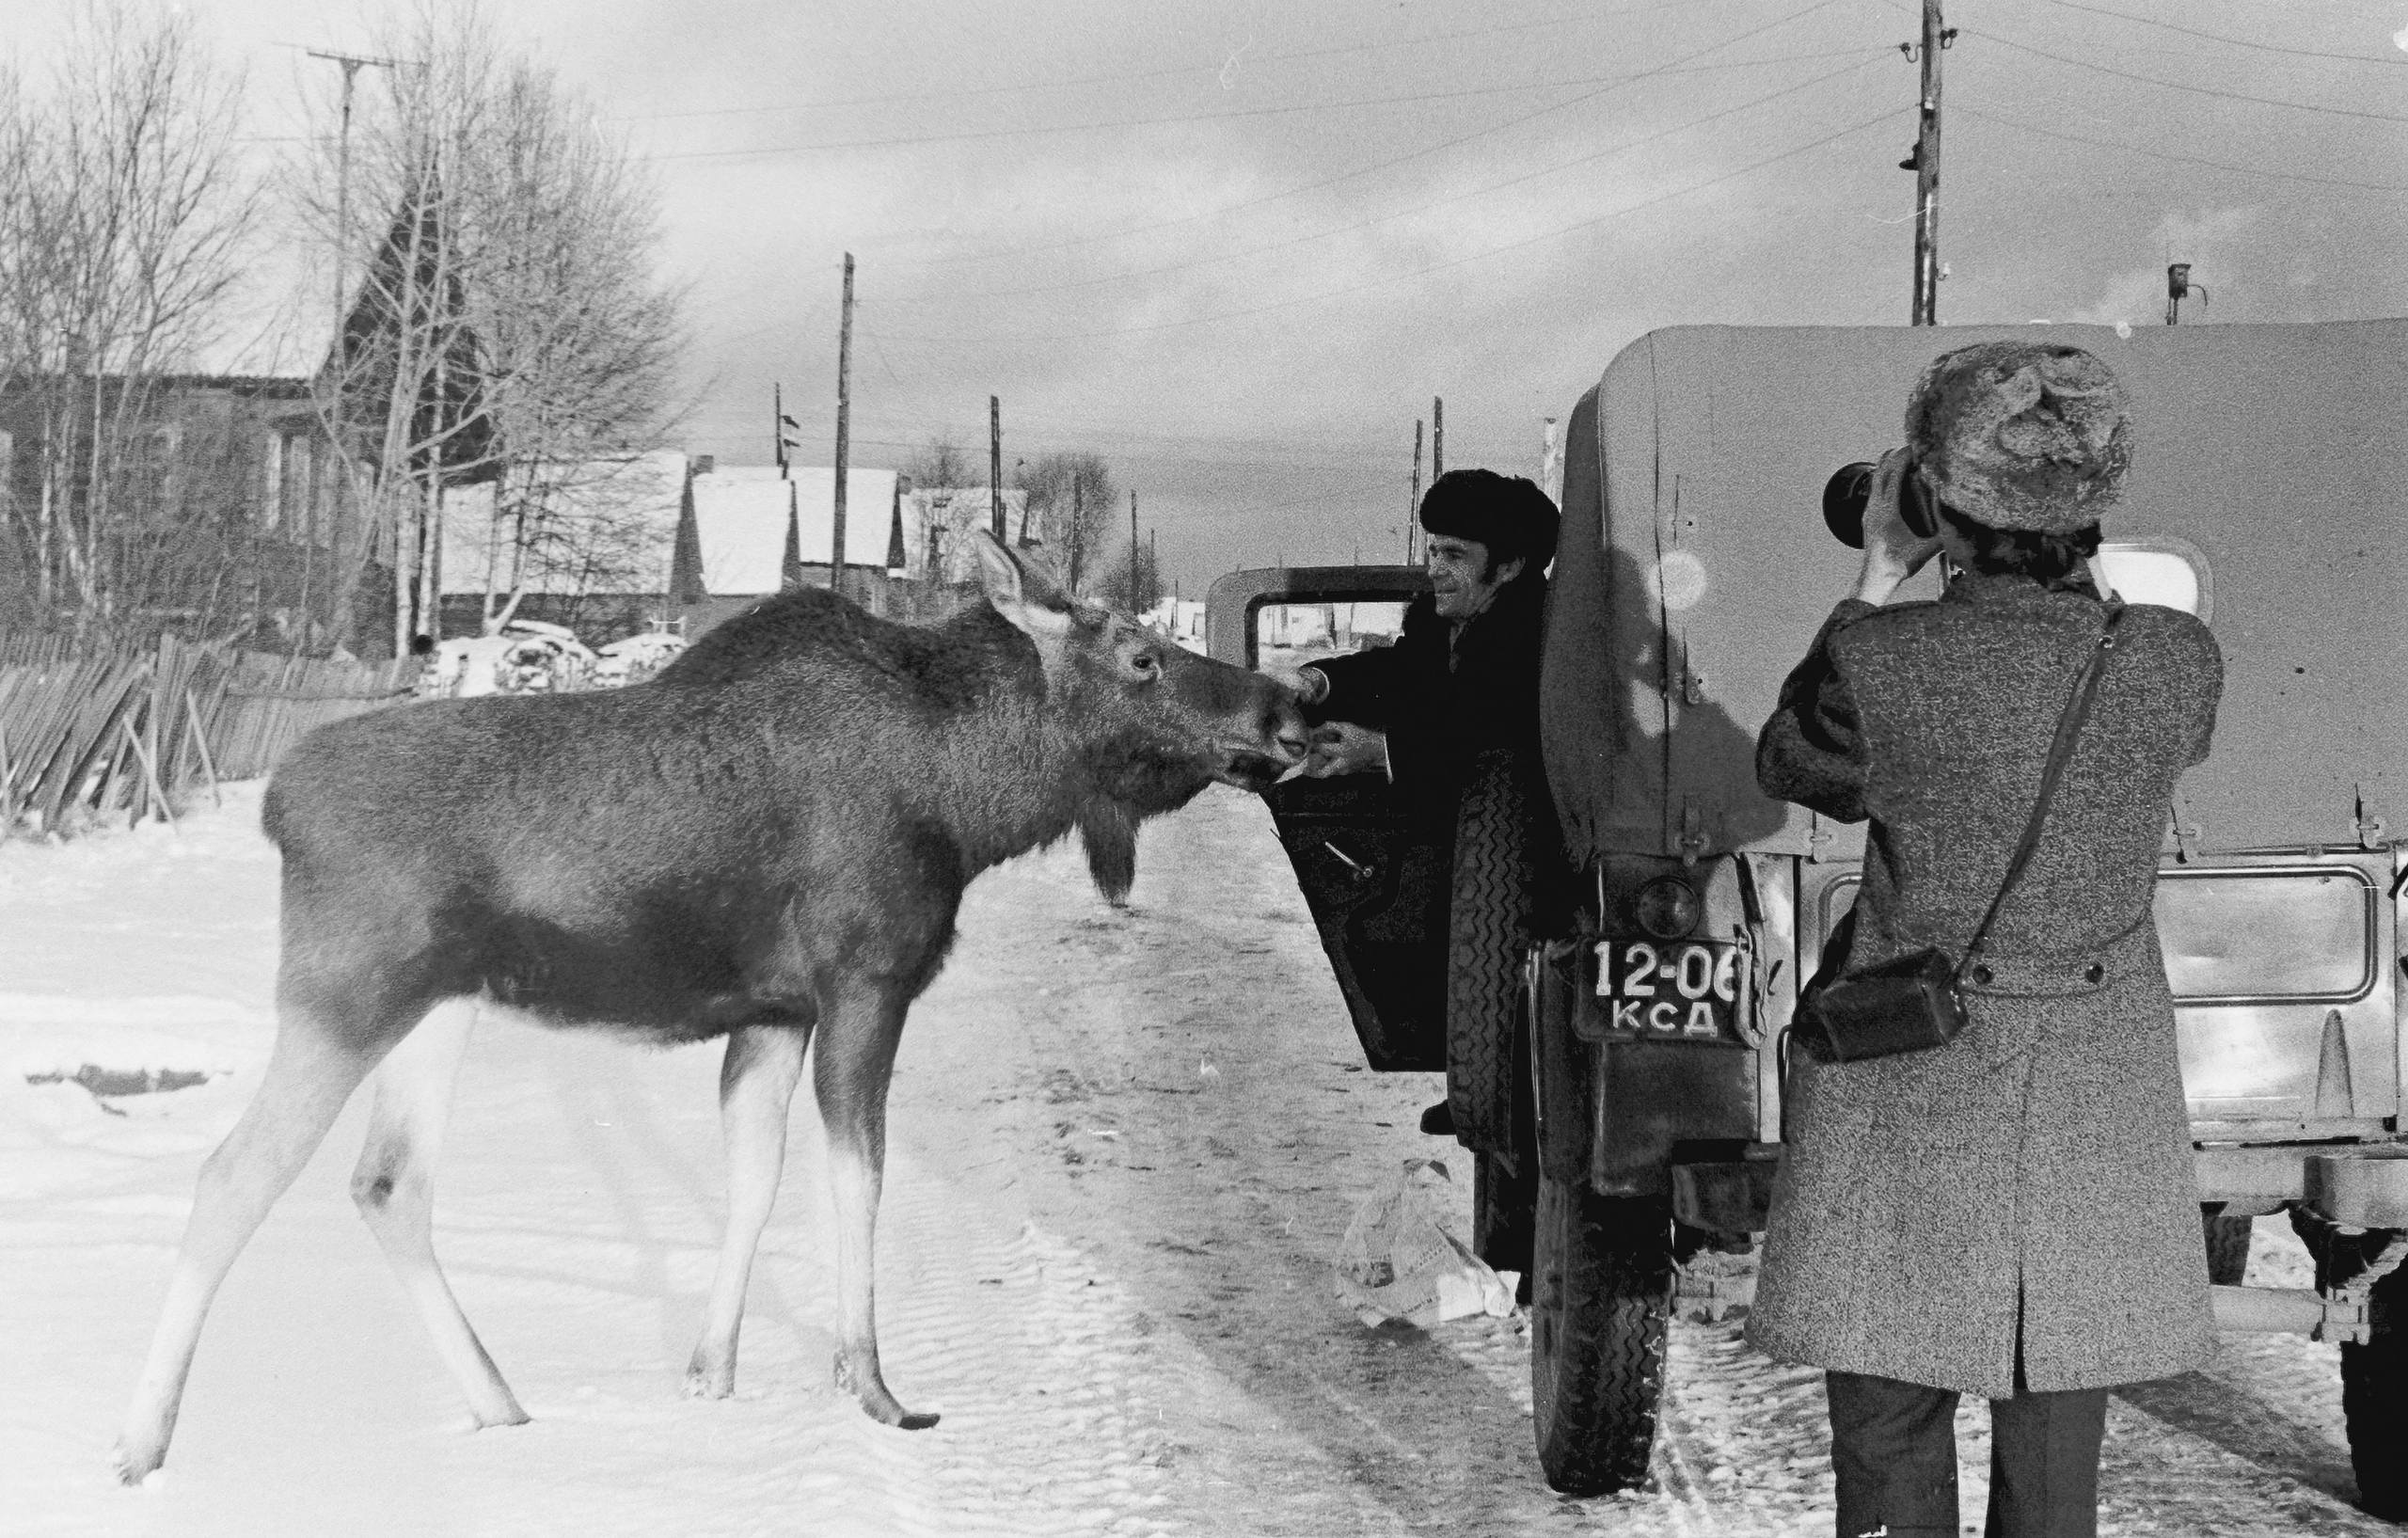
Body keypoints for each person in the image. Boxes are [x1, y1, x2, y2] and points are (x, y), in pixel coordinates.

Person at [1746, 341, 2223, 1538]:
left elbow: (1793, 762)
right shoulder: (2176, 659)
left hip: (1908, 1070)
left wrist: (1874, 572)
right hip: (2091, 1088)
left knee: (1888, 1405)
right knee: (2058, 1425)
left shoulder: (1881, 658)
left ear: (1943, 509)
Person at [1290, 468, 1563, 1241]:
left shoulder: (1534, 632)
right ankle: (1478, 1080)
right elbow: (1404, 676)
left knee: (1523, 1031)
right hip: (1466, 860)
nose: (1433, 567)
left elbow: (1491, 729)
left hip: (1538, 868)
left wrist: (1383, 754)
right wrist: (1318, 681)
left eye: (1452, 554)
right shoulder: (1447, 617)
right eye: (1431, 549)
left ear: (1506, 566)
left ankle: (1505, 1144)